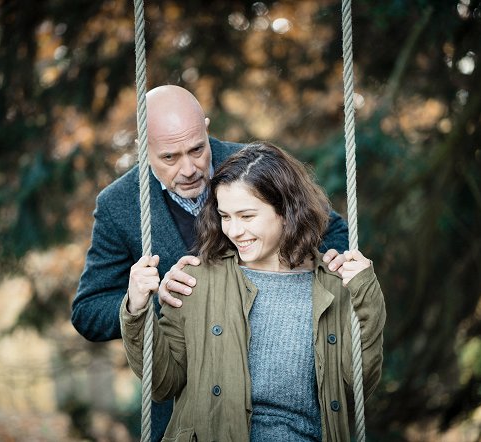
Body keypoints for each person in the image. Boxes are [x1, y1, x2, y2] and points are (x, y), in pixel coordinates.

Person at [71, 85, 350, 441]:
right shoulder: (118, 205)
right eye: (170, 157)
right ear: (142, 147)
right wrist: (151, 297)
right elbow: (87, 312)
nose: (189, 169)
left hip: (286, 406)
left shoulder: (253, 165)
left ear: (205, 127)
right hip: (186, 405)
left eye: (197, 150)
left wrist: (313, 277)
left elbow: (333, 231)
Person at [122, 142, 386, 441]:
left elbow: (359, 385)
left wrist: (366, 294)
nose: (233, 230)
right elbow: (162, 384)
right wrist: (136, 308)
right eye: (225, 216)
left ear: (287, 211)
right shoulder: (196, 280)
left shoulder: (335, 285)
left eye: (246, 216)